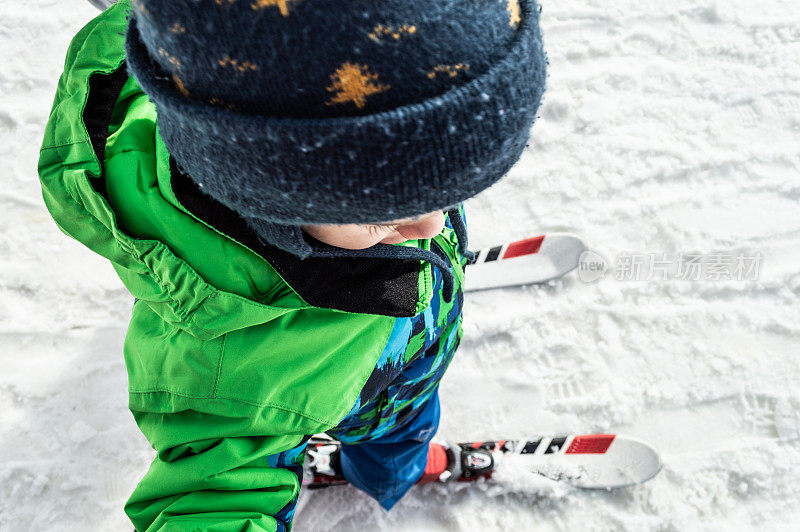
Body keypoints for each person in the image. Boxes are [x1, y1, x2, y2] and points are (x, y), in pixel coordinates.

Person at [37, 0, 546, 529]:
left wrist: (387, 219)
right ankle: (391, 470)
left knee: (410, 396)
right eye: (381, 216)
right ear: (267, 199)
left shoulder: (351, 150)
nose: (433, 226)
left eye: (452, 190)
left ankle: (398, 439)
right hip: (374, 397)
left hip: (405, 344)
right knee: (398, 428)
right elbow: (213, 499)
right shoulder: (232, 367)